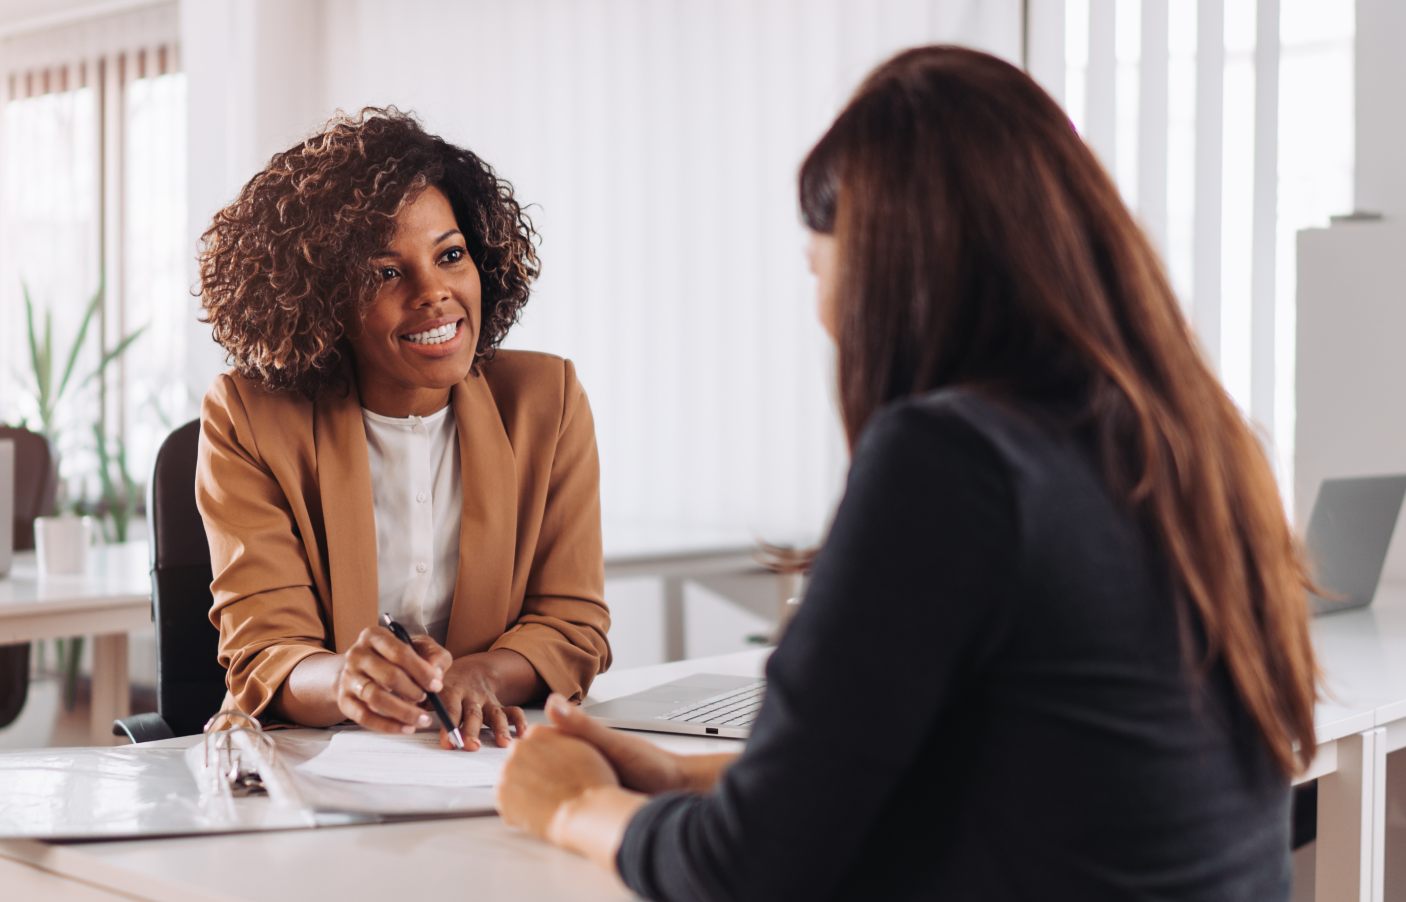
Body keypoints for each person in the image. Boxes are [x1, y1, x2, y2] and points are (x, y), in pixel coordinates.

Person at [494, 46, 1319, 900]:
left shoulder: (953, 462)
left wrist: (574, 806)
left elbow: (748, 873)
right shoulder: (1206, 446)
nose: (824, 320)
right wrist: (677, 778)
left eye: (819, 270)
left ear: (890, 269)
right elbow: (1006, 774)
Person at [195, 109, 610, 749]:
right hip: (308, 767)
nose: (434, 292)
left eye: (450, 256)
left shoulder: (545, 401)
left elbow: (572, 623)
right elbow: (267, 651)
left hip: (482, 759)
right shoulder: (248, 416)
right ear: (324, 297)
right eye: (386, 272)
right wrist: (346, 681)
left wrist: (481, 676)